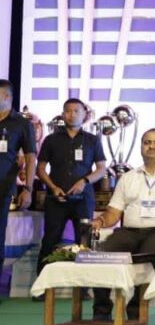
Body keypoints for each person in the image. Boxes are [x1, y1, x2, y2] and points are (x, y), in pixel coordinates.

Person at [90, 128, 155, 320]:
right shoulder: (128, 178)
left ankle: (136, 313)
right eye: (147, 142)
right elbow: (114, 212)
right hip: (129, 231)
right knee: (103, 255)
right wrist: (101, 220)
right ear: (141, 147)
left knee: (147, 255)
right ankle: (101, 312)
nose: (151, 146)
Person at [35, 98, 107, 289]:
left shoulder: (92, 140)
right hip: (56, 198)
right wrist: (53, 187)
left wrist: (84, 181)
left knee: (84, 242)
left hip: (83, 199)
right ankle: (42, 287)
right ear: (63, 114)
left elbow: (101, 169)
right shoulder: (51, 139)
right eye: (68, 111)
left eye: (76, 111)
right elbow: (40, 169)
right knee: (50, 241)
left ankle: (83, 288)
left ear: (84, 115)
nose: (72, 114)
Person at [0, 80, 37, 306]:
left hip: (3, 188)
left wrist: (28, 189)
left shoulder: (21, 124)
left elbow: (31, 158)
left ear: (6, 97)